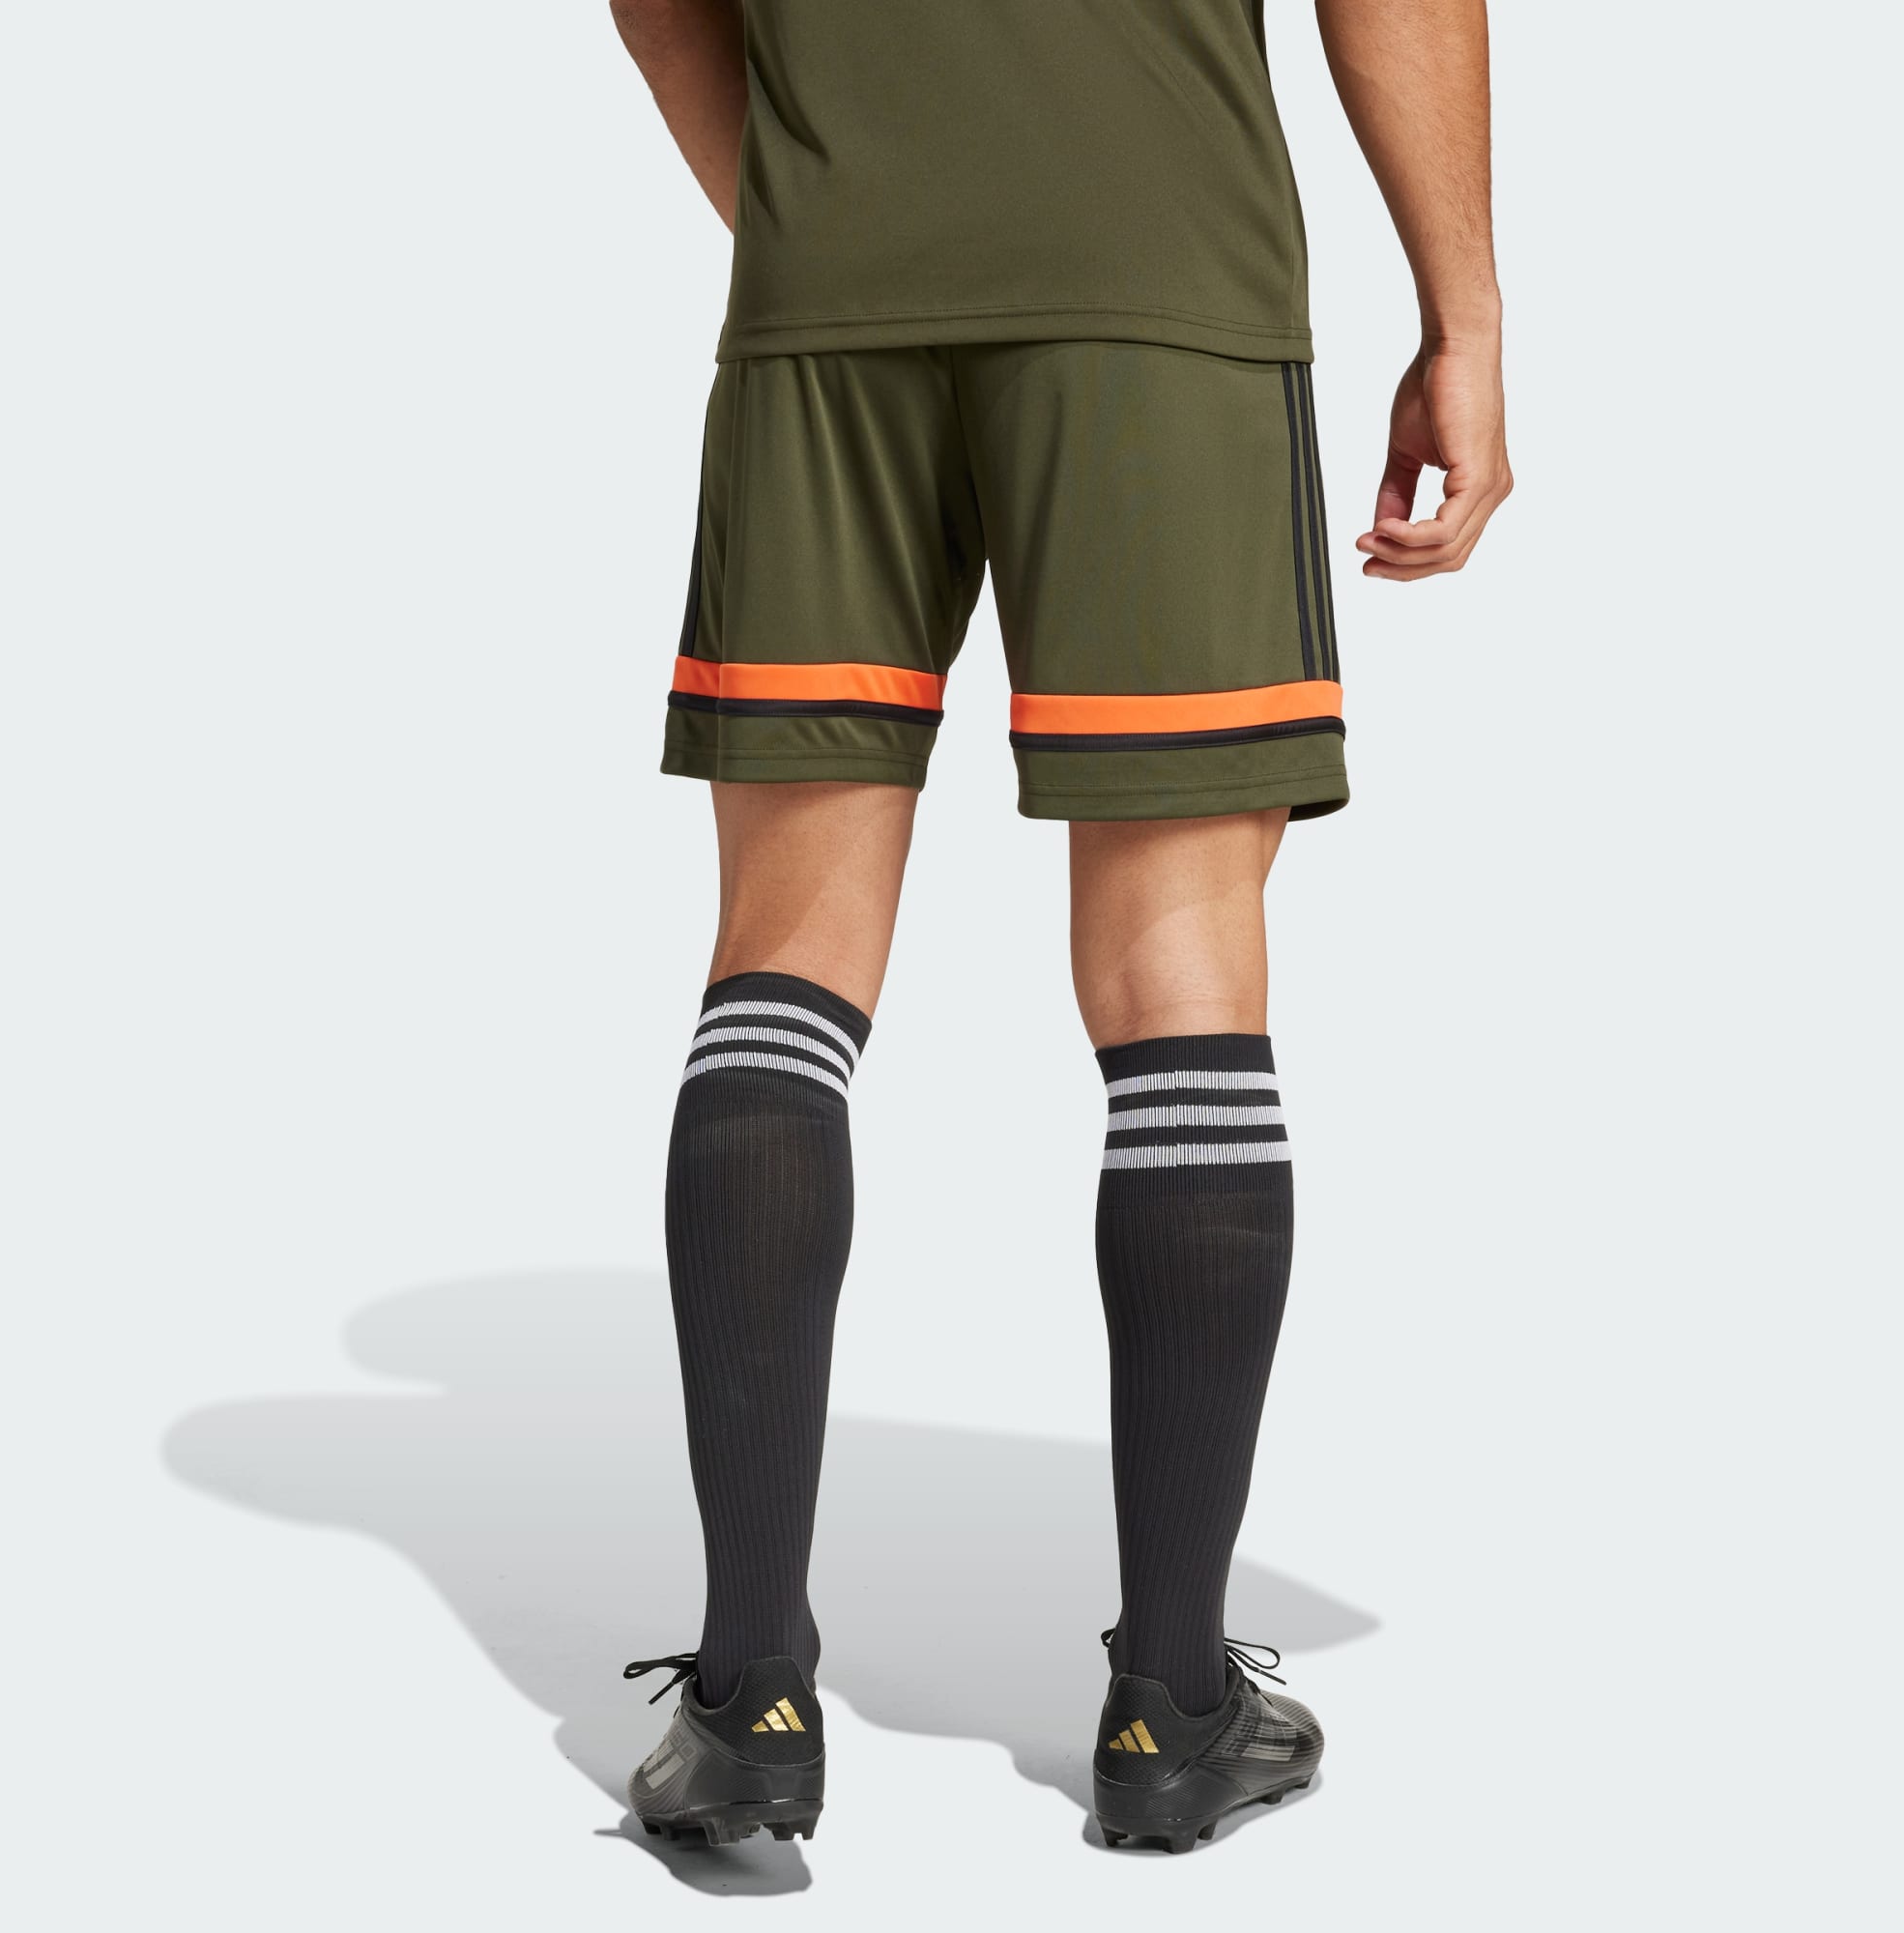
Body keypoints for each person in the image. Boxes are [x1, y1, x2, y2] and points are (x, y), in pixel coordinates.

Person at [610, 0, 1510, 1855]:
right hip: (1159, 273)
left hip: (832, 299)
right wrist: (1466, 316)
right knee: (1180, 964)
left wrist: (820, 217)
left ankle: (751, 1698)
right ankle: (1170, 1706)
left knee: (784, 955)